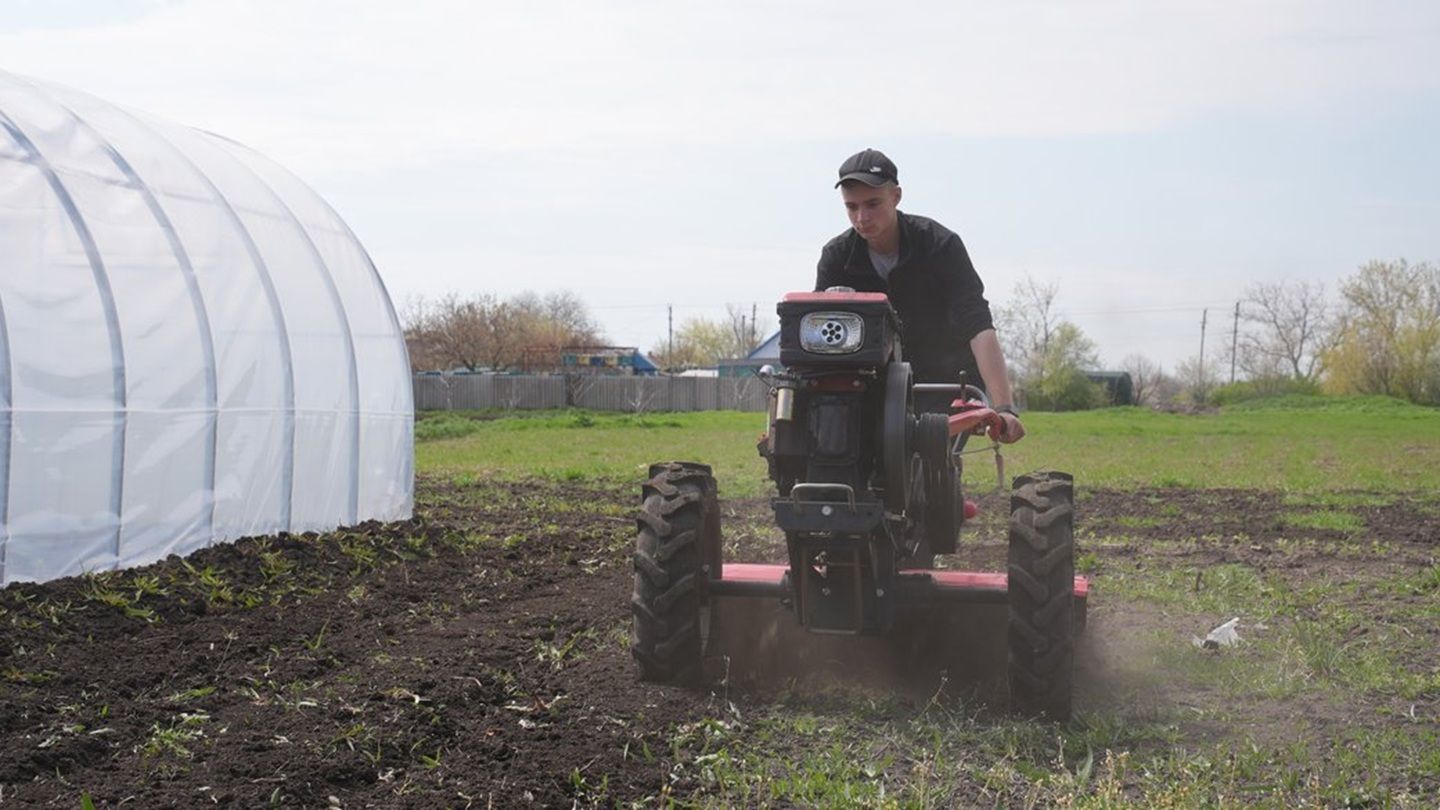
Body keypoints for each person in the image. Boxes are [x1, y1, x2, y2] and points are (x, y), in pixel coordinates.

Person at [815, 148, 1025, 442]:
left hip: (943, 384)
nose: (862, 217)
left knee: (930, 468)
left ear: (896, 196)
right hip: (869, 387)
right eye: (852, 207)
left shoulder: (941, 246)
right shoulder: (836, 257)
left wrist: (1004, 408)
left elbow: (978, 326)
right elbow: (821, 338)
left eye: (873, 203)